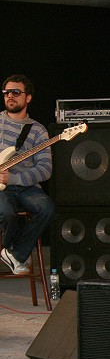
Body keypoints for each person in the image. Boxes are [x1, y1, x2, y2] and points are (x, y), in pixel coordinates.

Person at [0, 74, 55, 275]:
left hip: (26, 187)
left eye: (16, 92)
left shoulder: (38, 131)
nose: (10, 96)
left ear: (28, 97)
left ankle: (15, 254)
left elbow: (45, 169)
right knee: (7, 213)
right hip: (0, 189)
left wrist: (14, 178)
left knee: (47, 208)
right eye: (6, 92)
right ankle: (16, 253)